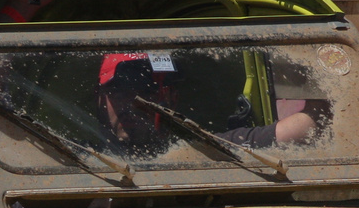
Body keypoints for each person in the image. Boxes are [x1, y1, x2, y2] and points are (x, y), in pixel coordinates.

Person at [96, 54, 317, 152]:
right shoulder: (79, 157)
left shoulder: (205, 149)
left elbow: (309, 125)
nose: (133, 102)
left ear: (171, 99)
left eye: (148, 91)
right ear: (101, 99)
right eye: (119, 90)